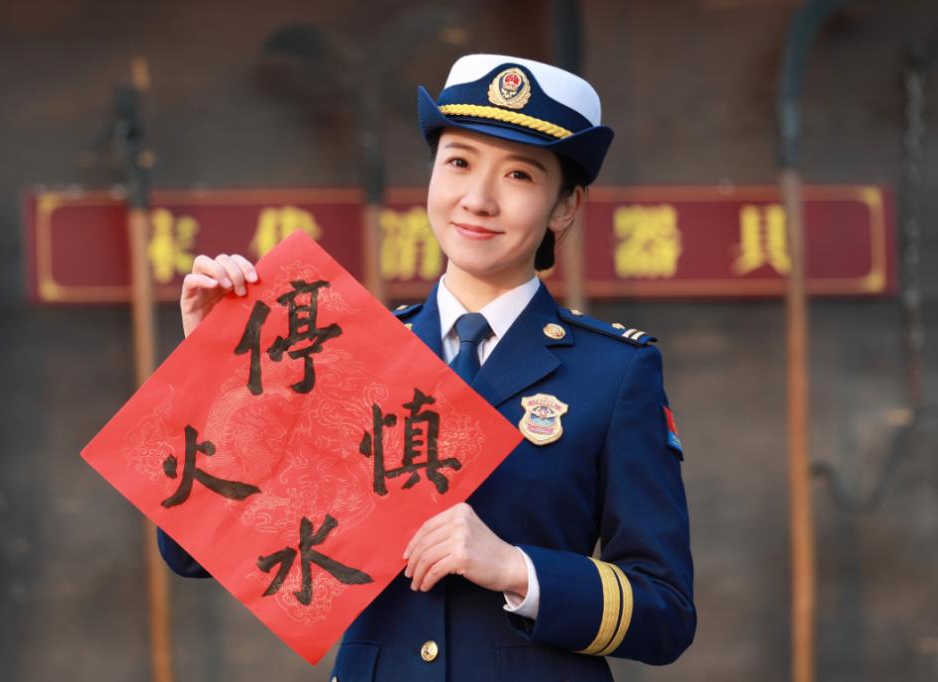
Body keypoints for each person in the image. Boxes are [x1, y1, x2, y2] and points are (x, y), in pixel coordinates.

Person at [158, 53, 696, 681]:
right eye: (459, 162)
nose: (478, 199)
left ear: (565, 206)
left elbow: (666, 611)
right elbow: (192, 554)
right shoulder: (343, 350)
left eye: (519, 175)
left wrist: (516, 569)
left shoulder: (614, 372)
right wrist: (219, 367)